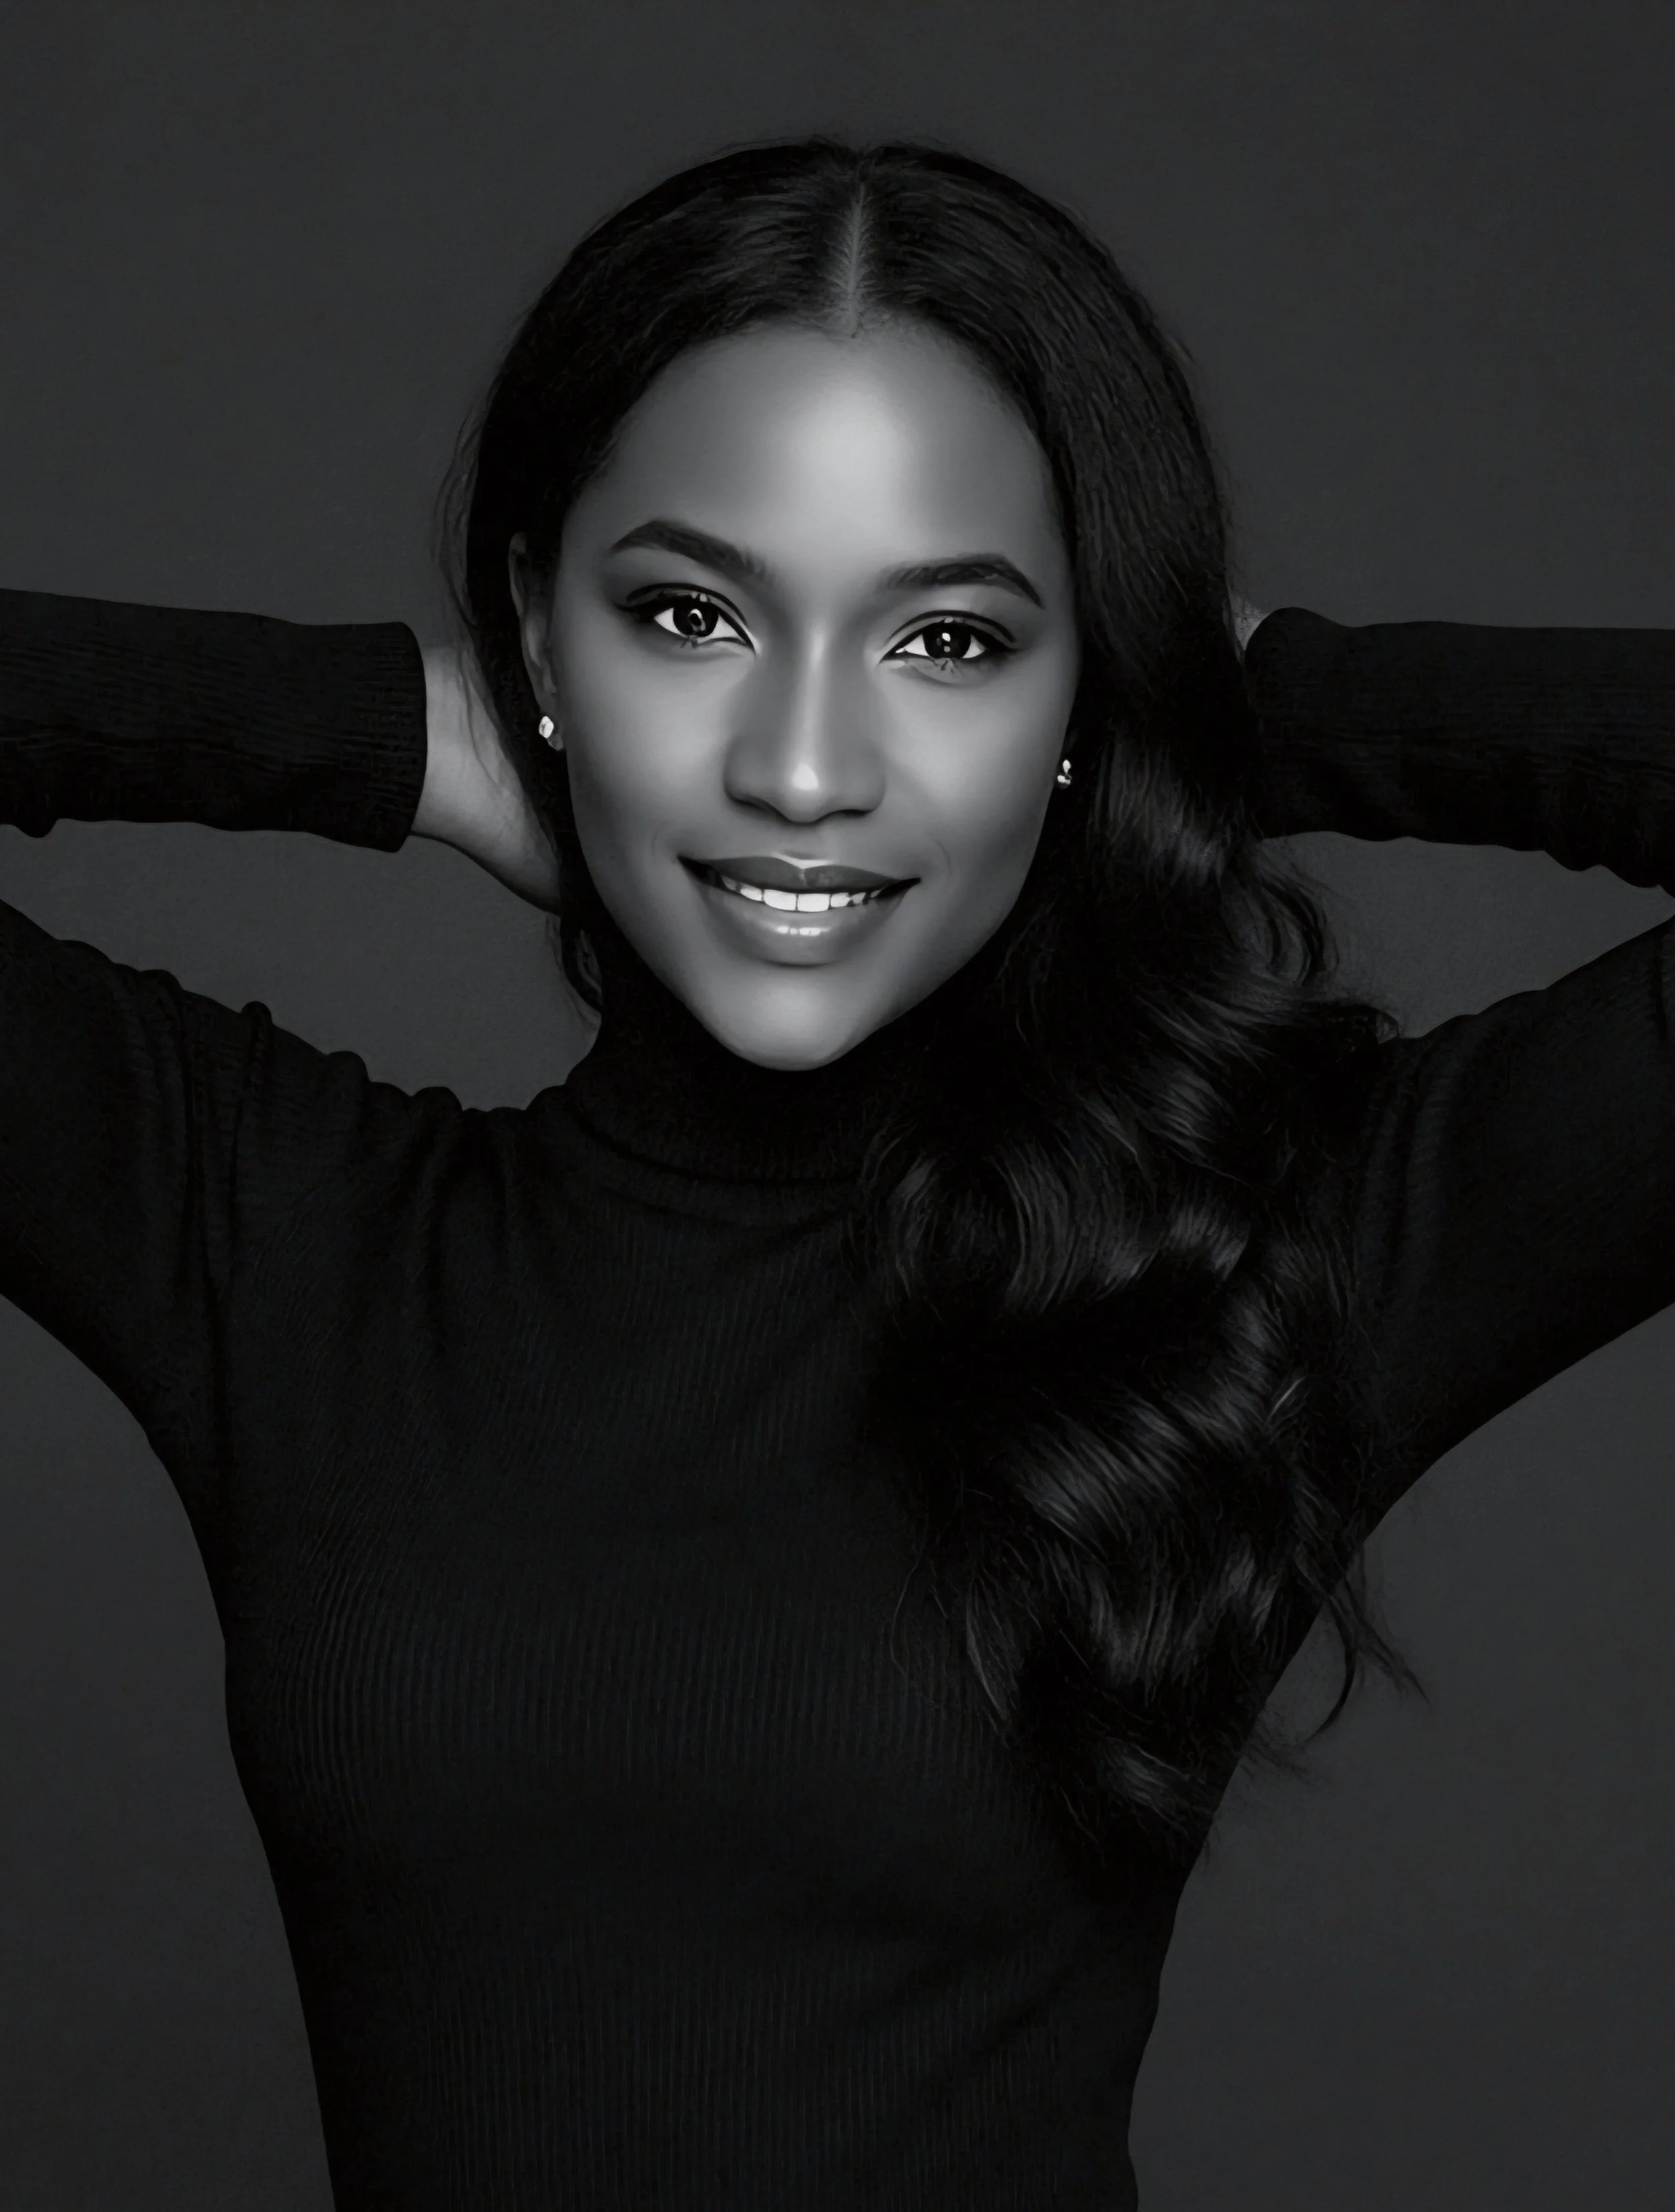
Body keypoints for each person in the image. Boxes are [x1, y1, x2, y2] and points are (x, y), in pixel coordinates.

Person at [3, 135, 1672, 2210]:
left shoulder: (1254, 1256)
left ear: (1083, 689)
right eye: (688, 612)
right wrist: (396, 732)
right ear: (543, 629)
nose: (803, 765)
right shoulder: (270, 1229)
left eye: (952, 642)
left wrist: (1260, 703)